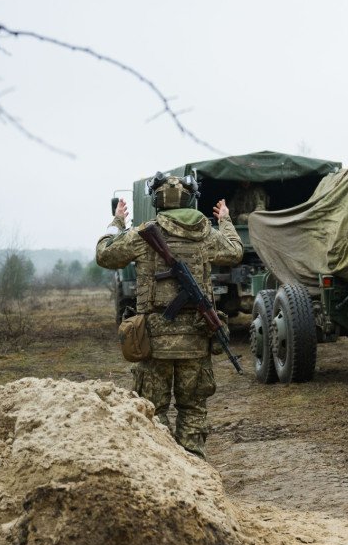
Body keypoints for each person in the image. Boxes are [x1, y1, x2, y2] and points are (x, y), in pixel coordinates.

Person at [95, 174, 243, 458]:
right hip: (197, 341)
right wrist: (224, 219)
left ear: (156, 201)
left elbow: (104, 253)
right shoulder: (206, 234)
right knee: (193, 410)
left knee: (153, 412)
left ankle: (162, 470)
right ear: (191, 199)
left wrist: (117, 222)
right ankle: (195, 472)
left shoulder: (142, 235)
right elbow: (235, 251)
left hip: (153, 342)